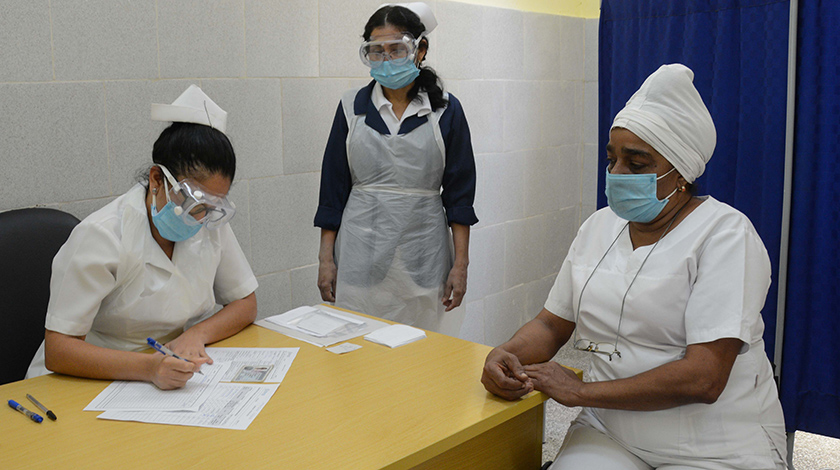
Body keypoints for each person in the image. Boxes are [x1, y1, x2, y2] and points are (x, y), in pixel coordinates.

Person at [481, 64, 787, 469]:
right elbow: (552, 325)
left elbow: (704, 378)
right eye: (612, 159)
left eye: (637, 164)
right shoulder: (599, 226)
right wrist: (504, 355)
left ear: (681, 171)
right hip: (613, 432)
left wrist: (578, 391)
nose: (617, 174)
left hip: (715, 445)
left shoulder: (726, 235)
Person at [26, 85, 258, 390]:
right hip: (83, 381)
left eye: (212, 207)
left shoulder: (206, 222)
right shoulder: (102, 234)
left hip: (163, 370)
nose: (200, 217)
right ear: (156, 179)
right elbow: (59, 350)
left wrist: (195, 335)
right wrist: (149, 368)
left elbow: (245, 303)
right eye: (192, 202)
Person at [314, 3, 478, 331]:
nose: (386, 60)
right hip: (360, 254)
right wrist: (325, 260)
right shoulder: (351, 108)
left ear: (420, 49)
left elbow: (460, 197)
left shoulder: (446, 110)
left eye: (396, 49)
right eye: (376, 51)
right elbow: (333, 189)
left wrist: (461, 264)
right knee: (358, 347)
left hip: (424, 254)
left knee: (424, 349)